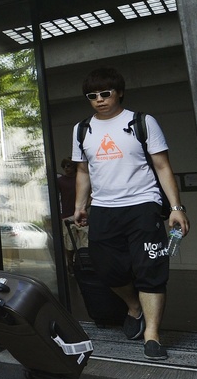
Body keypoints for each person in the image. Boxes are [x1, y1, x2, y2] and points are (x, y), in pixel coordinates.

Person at [72, 66, 189, 361]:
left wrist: (176, 208)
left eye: (105, 93)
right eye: (92, 95)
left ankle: (152, 335)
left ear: (119, 92)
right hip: (104, 209)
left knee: (151, 270)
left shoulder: (142, 122)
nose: (99, 99)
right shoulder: (82, 129)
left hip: (143, 205)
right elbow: (83, 171)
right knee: (106, 268)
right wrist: (79, 206)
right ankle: (134, 306)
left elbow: (162, 166)